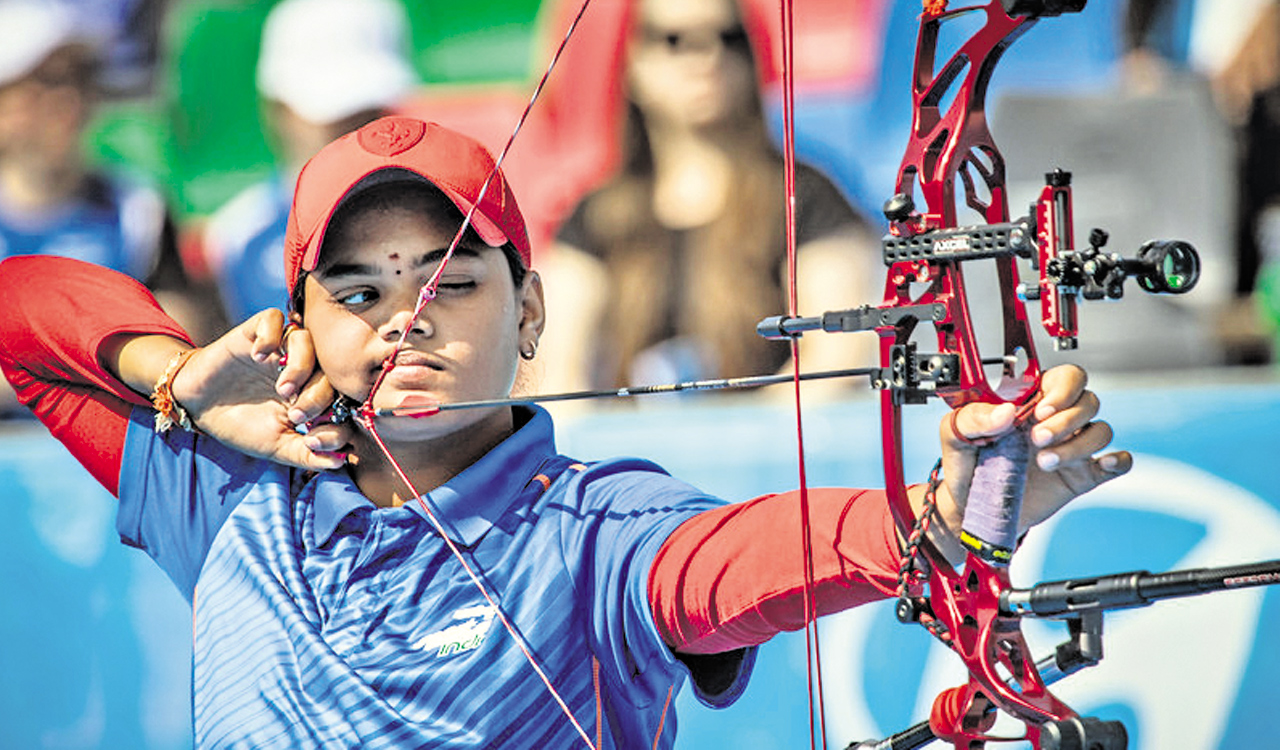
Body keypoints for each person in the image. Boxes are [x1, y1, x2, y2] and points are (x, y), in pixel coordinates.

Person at [0, 116, 1128, 747]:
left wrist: (948, 515)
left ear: (530, 312)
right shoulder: (226, 489)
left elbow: (736, 562)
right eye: (356, 293)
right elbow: (20, 306)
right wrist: (173, 375)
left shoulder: (592, 528)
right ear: (299, 327)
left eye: (450, 282)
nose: (403, 319)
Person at [540, 0, 881, 394]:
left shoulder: (804, 197)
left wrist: (735, 430)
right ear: (633, 63)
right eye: (674, 40)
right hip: (628, 434)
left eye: (729, 38)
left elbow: (835, 362)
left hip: (773, 431)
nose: (707, 56)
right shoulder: (596, 215)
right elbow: (557, 375)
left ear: (753, 56)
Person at [0, 0, 220, 417]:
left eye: (81, 76)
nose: (69, 99)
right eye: (46, 82)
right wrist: (104, 354)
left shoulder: (138, 208)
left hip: (107, 447)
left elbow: (179, 344)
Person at [201, 0, 418, 325]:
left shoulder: (440, 218)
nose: (356, 132)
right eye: (335, 115)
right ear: (279, 109)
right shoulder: (236, 237)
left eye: (370, 111)